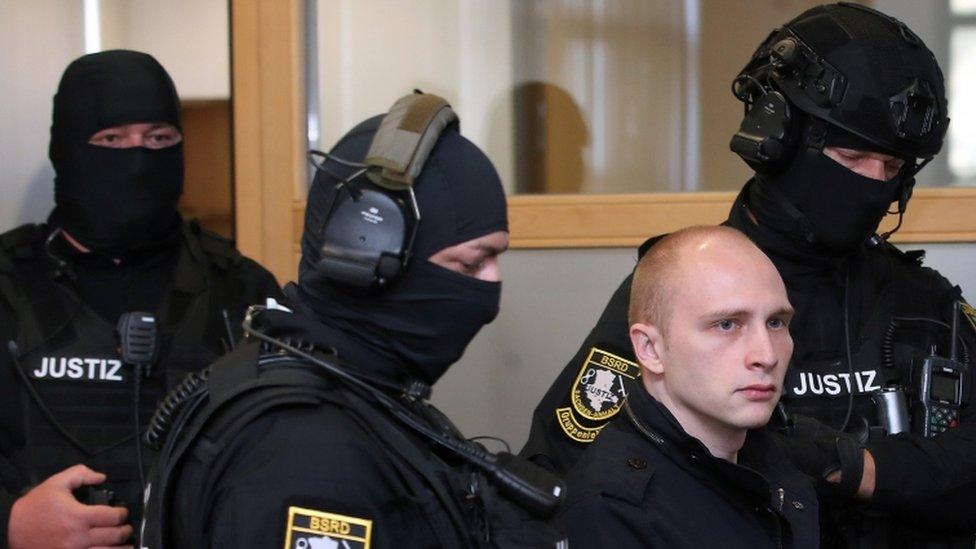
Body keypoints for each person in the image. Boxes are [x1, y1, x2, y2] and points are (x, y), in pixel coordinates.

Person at [523, 3, 976, 547]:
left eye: (894, 168)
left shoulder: (924, 301)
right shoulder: (691, 289)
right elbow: (567, 481)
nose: (875, 184)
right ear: (777, 135)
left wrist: (858, 469)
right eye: (853, 156)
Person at [140, 93, 565, 548]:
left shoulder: (349, 393)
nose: (490, 291)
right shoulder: (303, 450)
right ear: (363, 253)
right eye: (469, 265)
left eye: (495, 260)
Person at [0, 50, 282, 549]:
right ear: (65, 149)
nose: (137, 158)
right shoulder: (7, 286)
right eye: (111, 139)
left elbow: (290, 457)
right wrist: (12, 524)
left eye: (159, 138)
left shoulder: (240, 290)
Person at [558, 226, 817, 548]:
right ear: (651, 349)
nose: (766, 356)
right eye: (726, 325)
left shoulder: (777, 463)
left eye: (776, 322)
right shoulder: (614, 509)